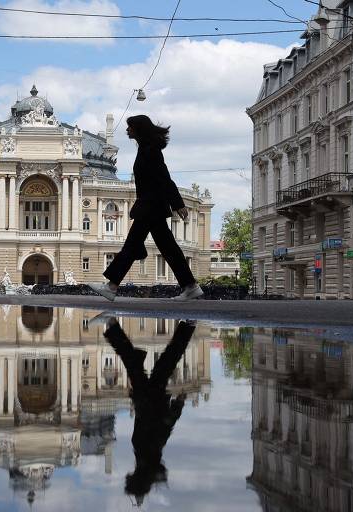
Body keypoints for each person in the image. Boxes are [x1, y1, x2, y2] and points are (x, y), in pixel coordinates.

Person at [88, 115, 203, 302]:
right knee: (163, 247)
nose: (127, 130)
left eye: (130, 127)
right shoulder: (146, 149)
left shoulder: (150, 150)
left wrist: (178, 203)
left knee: (138, 246)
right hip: (151, 206)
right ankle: (190, 286)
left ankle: (112, 286)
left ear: (138, 129)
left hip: (151, 206)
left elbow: (164, 177)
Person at [96, 314, 196, 506]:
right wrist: (179, 404)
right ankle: (115, 329)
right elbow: (166, 426)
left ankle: (187, 327)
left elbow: (165, 427)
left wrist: (177, 405)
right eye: (131, 477)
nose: (128, 474)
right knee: (159, 360)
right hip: (149, 399)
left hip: (150, 400)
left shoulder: (148, 456)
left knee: (165, 359)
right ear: (137, 476)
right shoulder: (147, 452)